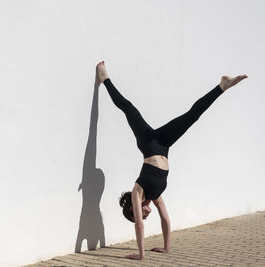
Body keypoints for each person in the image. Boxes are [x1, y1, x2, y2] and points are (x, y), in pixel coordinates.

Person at [96, 60, 248, 260]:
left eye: (138, 215)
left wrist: (140, 255)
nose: (144, 217)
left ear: (133, 208)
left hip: (148, 142)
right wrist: (167, 248)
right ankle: (222, 85)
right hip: (164, 144)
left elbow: (140, 225)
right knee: (192, 116)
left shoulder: (138, 191)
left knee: (128, 107)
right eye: (142, 216)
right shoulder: (156, 195)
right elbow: (166, 219)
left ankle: (104, 76)